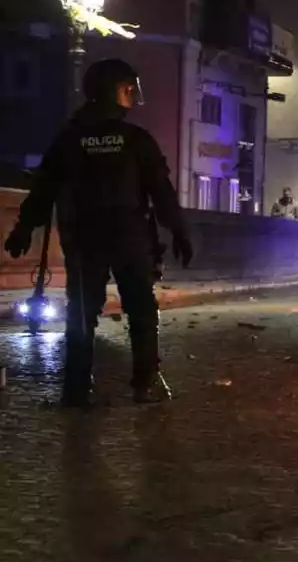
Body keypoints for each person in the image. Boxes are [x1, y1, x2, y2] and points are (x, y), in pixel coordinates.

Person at [4, 58, 193, 407]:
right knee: (140, 309)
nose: (133, 97)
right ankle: (145, 382)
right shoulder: (136, 140)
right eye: (129, 90)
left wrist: (24, 230)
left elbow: (43, 191)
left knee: (81, 312)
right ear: (119, 91)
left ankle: (76, 388)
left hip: (84, 236)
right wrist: (179, 231)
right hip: (130, 236)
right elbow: (160, 193)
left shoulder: (70, 139)